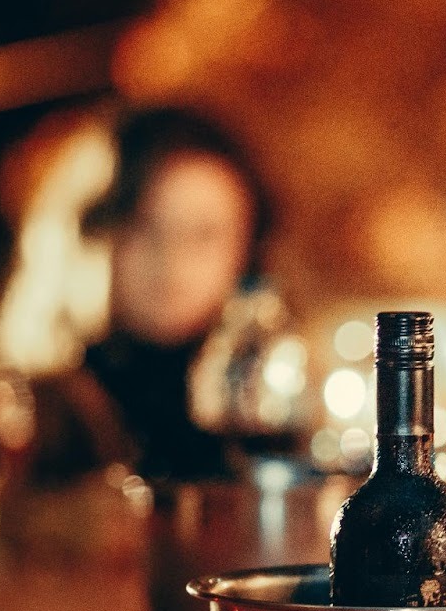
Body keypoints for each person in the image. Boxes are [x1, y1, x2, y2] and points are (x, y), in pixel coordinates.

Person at [28, 106, 273, 485]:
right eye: (145, 228)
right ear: (89, 234)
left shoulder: (270, 404)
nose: (172, 260)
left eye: (204, 234)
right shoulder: (26, 405)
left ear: (248, 249)